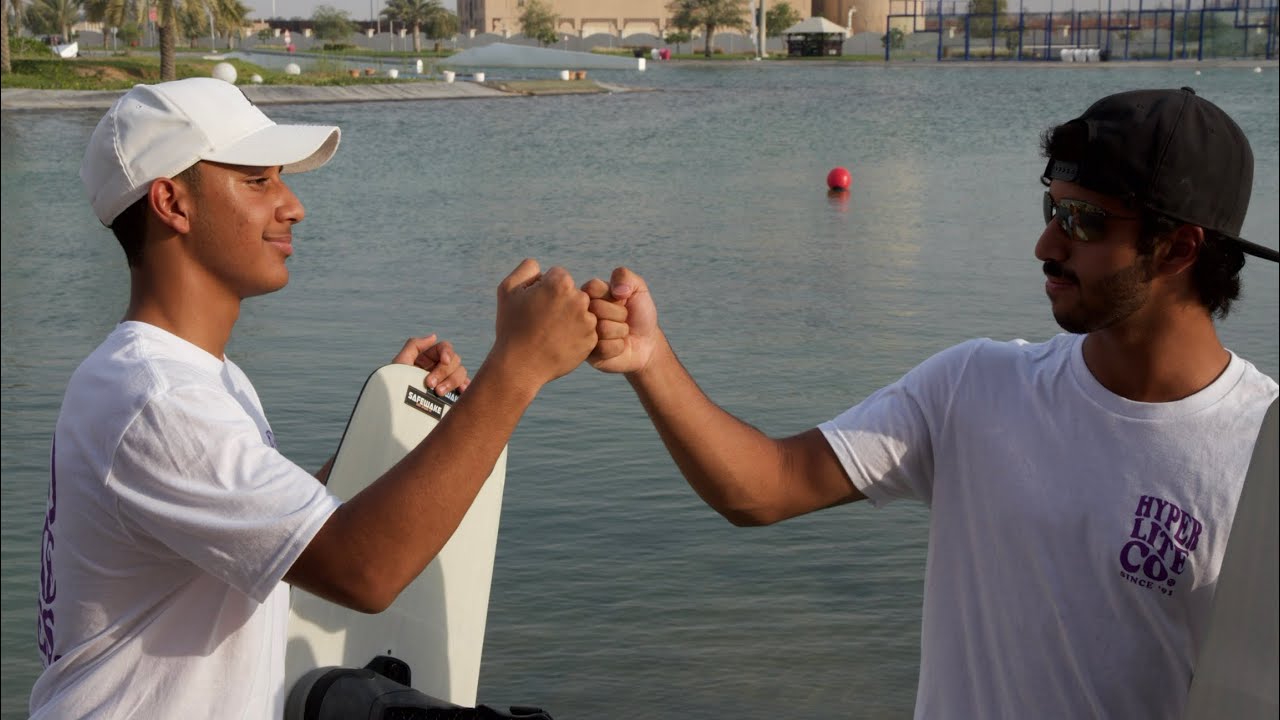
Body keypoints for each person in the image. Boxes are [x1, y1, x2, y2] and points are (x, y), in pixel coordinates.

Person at [582, 87, 1279, 718]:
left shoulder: (1262, 455)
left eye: (1084, 222)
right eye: (1050, 208)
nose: (1045, 244)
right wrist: (652, 361)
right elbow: (765, 487)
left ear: (1180, 248)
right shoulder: (972, 388)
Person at [31, 77, 600, 718]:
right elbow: (365, 571)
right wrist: (517, 369)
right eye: (258, 181)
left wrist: (382, 427)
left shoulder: (191, 380)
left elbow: (263, 528)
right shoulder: (158, 398)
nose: (293, 205)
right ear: (172, 203)